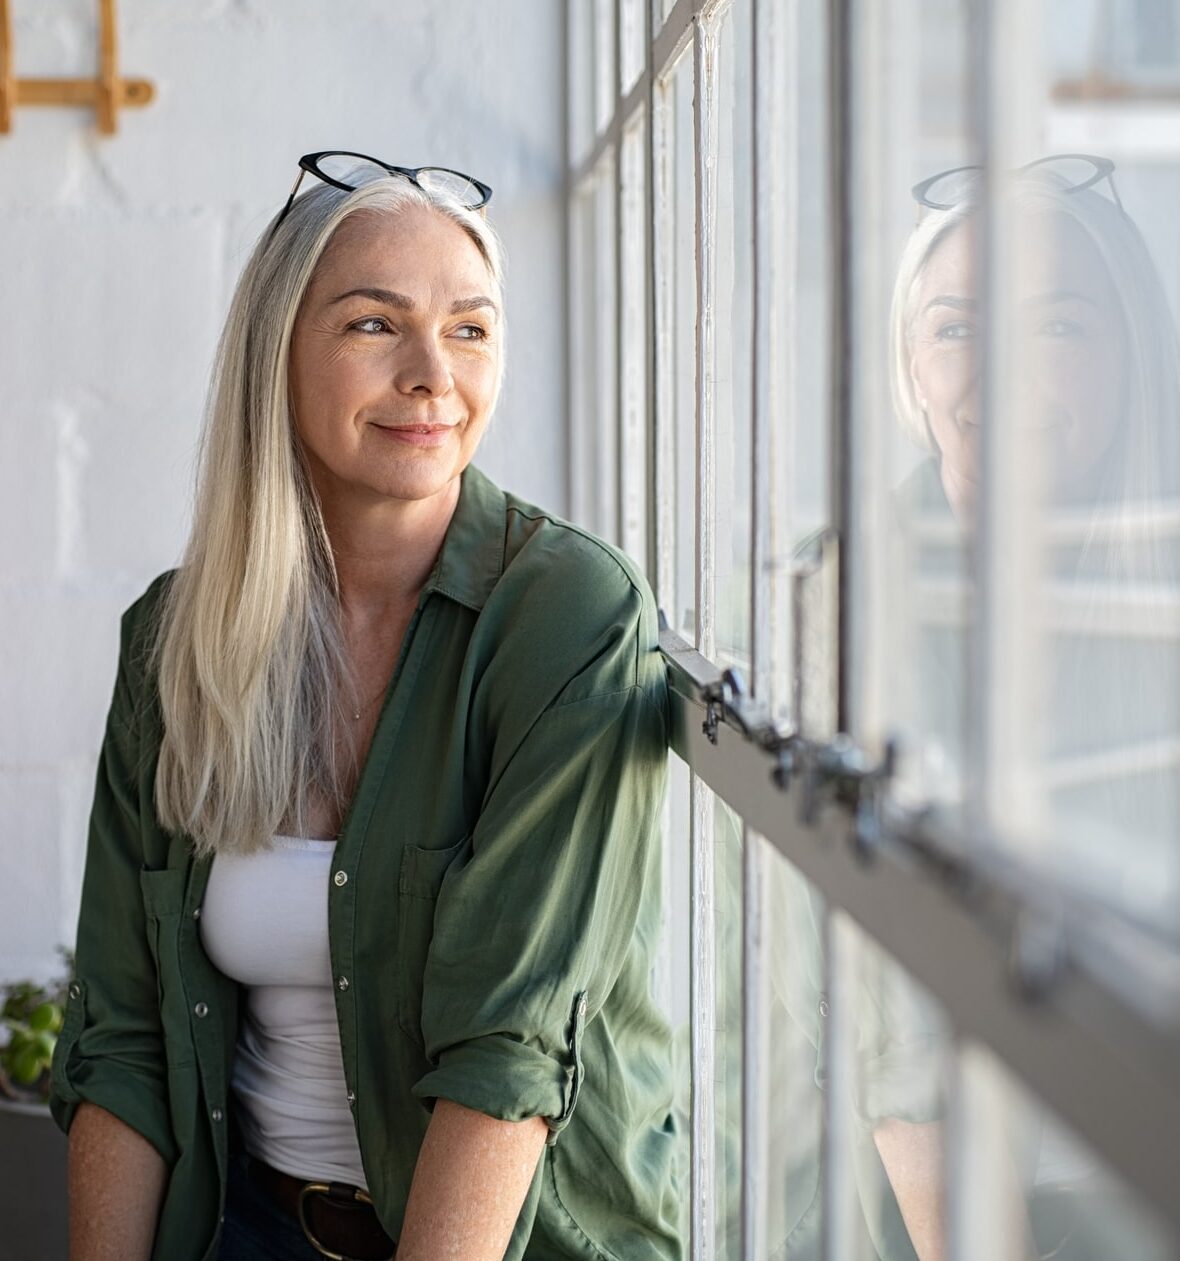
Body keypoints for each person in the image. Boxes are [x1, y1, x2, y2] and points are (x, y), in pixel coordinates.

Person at [50, 152, 682, 1261]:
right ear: (277, 355)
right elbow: (126, 1030)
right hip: (242, 1221)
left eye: (471, 328)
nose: (434, 373)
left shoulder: (567, 618)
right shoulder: (175, 636)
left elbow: (507, 1055)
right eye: (373, 325)